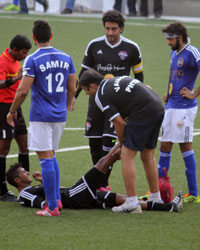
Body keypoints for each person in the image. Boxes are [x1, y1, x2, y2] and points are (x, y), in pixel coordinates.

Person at [7, 20, 76, 216]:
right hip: (59, 115)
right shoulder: (66, 57)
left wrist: (12, 111)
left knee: (45, 158)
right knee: (52, 154)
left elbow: (22, 91)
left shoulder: (32, 59)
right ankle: (57, 200)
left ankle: (52, 206)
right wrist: (69, 102)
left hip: (41, 115)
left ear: (34, 38)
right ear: (51, 36)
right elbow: (72, 87)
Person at [6, 143, 183, 213]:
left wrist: (45, 182)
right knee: (101, 166)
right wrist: (48, 201)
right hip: (73, 197)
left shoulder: (31, 187)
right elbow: (43, 203)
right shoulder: (24, 194)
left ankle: (169, 207)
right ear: (17, 181)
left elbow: (50, 195)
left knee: (123, 200)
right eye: (23, 172)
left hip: (76, 197)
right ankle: (123, 143)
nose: (27, 172)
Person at [79, 69, 164, 213]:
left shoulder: (100, 95)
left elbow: (118, 122)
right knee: (148, 156)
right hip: (157, 107)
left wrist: (122, 143)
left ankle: (131, 202)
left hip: (143, 112)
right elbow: (147, 88)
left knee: (127, 155)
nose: (87, 94)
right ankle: (156, 198)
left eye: (86, 91)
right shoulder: (114, 80)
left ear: (92, 86)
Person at [75, 10, 143, 190]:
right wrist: (73, 97)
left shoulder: (132, 48)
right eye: (107, 29)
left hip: (118, 105)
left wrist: (135, 105)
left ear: (121, 28)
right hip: (95, 103)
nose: (110, 33)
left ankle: (103, 184)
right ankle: (100, 181)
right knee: (95, 143)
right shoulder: (94, 45)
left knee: (109, 144)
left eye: (114, 29)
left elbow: (139, 78)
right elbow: (83, 74)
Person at [157, 22, 200, 203]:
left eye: (170, 39)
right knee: (165, 146)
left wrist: (194, 93)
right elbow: (175, 75)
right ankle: (160, 190)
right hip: (172, 105)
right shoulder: (174, 53)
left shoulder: (192, 52)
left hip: (184, 109)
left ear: (179, 38)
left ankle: (194, 194)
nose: (168, 42)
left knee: (185, 147)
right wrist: (170, 91)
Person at [0, 35, 31, 202]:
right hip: (3, 108)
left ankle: (26, 188)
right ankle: (1, 190)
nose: (25, 55)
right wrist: (14, 79)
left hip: (15, 107)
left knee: (24, 146)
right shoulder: (2, 61)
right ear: (15, 50)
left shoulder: (17, 61)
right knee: (3, 148)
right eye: (24, 52)